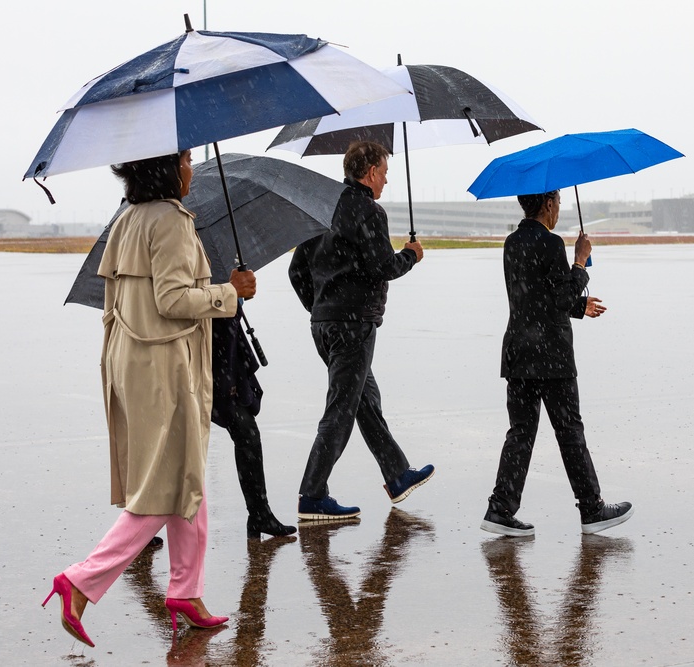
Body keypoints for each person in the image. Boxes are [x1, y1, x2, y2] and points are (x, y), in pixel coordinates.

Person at [42, 149, 257, 647]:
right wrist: (230, 293)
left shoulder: (128, 219)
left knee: (187, 477)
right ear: (166, 168)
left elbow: (121, 304)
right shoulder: (172, 223)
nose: (190, 167)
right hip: (165, 365)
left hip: (132, 361)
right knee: (166, 484)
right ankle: (82, 580)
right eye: (184, 159)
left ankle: (186, 590)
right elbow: (174, 301)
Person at [288, 140, 434, 520]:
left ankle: (398, 474)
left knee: (364, 401)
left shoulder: (320, 208)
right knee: (341, 409)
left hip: (323, 325)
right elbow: (382, 266)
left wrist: (321, 307)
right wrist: (411, 256)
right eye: (384, 173)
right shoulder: (368, 209)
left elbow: (297, 271)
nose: (385, 181)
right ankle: (312, 494)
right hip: (354, 326)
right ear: (369, 173)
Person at [480, 190, 633, 538]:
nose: (560, 210)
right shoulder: (550, 243)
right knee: (569, 431)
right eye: (559, 203)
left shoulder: (511, 242)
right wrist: (580, 262)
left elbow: (538, 296)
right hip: (549, 355)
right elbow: (561, 296)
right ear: (548, 204)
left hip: (518, 351)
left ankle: (500, 508)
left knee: (520, 433)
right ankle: (592, 509)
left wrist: (580, 307)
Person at [210, 309, 296, 538]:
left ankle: (259, 514)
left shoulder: (217, 275)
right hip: (202, 356)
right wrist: (228, 293)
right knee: (173, 448)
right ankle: (141, 525)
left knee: (247, 433)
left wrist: (233, 296)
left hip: (223, 354)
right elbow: (178, 303)